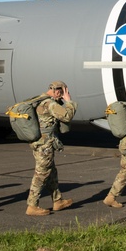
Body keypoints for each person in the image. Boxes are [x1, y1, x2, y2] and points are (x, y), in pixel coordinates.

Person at [25, 81, 77, 216]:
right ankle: (32, 205)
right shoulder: (50, 104)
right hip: (45, 145)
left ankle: (57, 200)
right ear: (58, 91)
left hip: (39, 143)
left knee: (51, 172)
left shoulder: (40, 100)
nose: (62, 97)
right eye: (62, 93)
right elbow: (67, 116)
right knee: (41, 174)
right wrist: (69, 101)